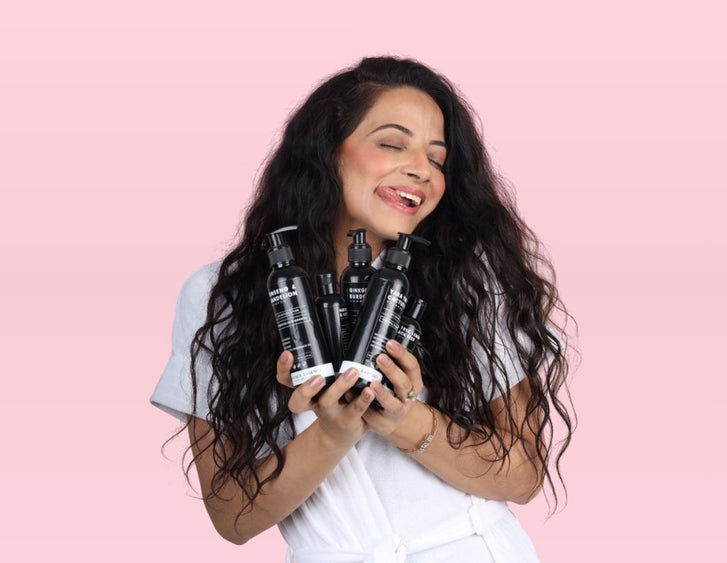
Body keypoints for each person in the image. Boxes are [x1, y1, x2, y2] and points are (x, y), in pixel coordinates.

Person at [151, 56, 574, 562]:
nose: (422, 169)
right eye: (392, 144)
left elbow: (523, 475)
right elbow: (233, 516)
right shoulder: (220, 295)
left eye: (437, 159)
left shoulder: (469, 280)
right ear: (326, 150)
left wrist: (403, 420)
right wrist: (332, 433)